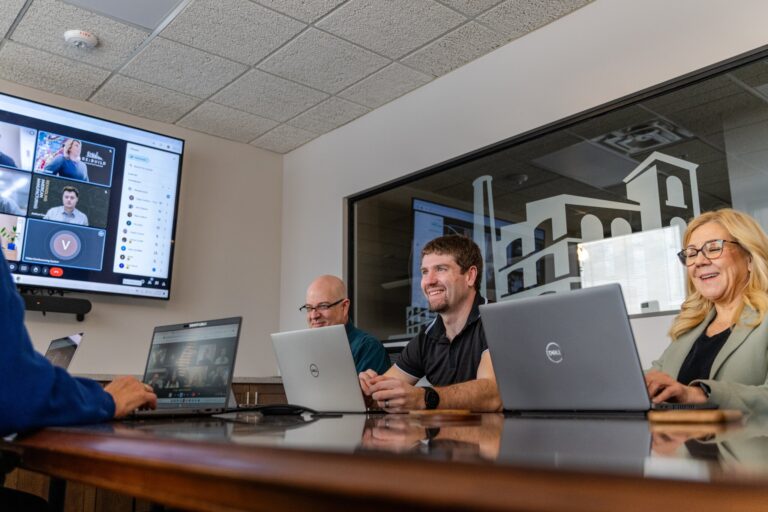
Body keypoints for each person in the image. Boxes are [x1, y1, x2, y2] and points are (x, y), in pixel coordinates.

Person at [359, 235, 501, 413]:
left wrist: (425, 397)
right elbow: (383, 395)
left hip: (499, 436)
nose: (429, 281)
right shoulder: (427, 336)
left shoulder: (496, 321)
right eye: (424, 272)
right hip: (448, 437)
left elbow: (492, 395)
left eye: (441, 269)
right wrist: (367, 392)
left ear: (470, 276)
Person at [646, 209, 768, 411]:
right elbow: (653, 379)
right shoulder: (689, 328)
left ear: (749, 258)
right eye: (691, 253)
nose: (699, 261)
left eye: (713, 249)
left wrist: (697, 395)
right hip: (681, 442)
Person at [302, 275, 391, 375]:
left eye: (323, 306)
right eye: (309, 308)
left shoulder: (368, 348)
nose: (314, 315)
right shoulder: (306, 351)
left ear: (344, 307)